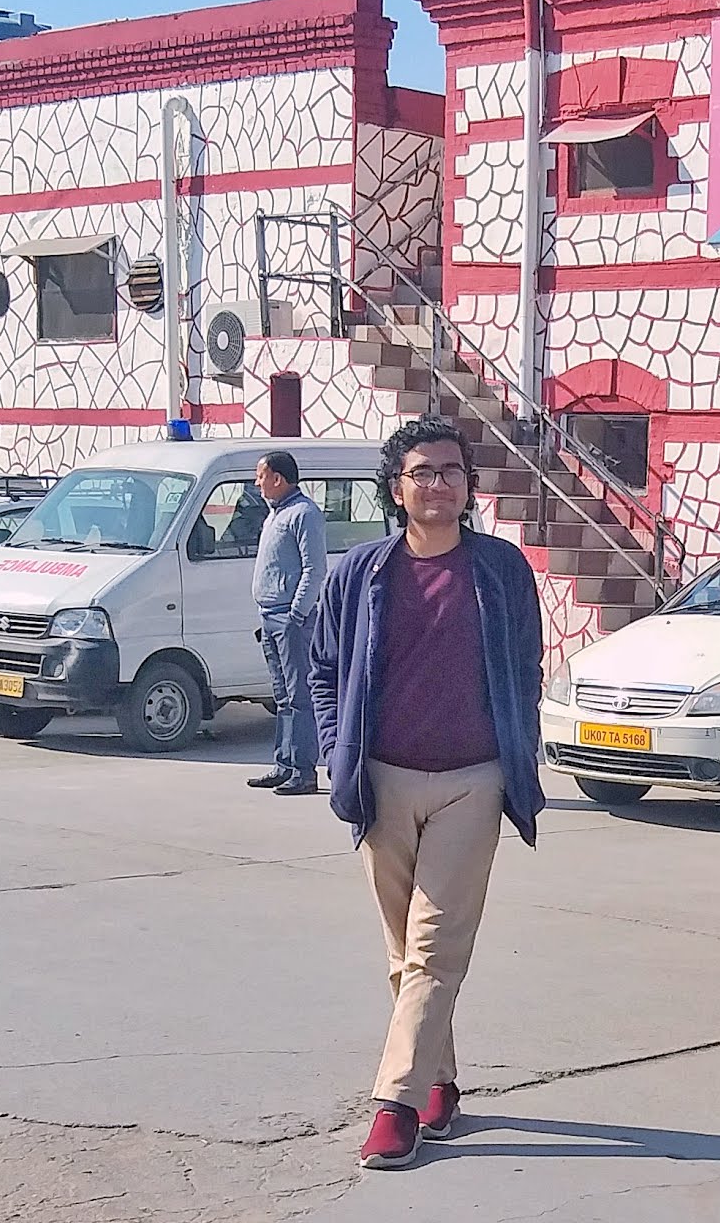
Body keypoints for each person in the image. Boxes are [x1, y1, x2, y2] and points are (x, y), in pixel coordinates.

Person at [309, 415, 545, 1172]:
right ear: (396, 488)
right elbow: (322, 668)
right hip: (382, 777)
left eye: (451, 470)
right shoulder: (362, 573)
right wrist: (333, 752)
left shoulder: (502, 570)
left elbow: (526, 668)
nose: (438, 483)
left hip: (474, 780)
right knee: (403, 952)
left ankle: (395, 1106)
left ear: (469, 487)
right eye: (423, 472)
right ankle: (436, 1078)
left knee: (436, 946)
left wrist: (519, 752)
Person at [247, 452, 328, 796]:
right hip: (270, 616)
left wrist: (296, 614)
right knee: (282, 697)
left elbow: (314, 569)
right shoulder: (274, 515)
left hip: (290, 619)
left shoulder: (304, 514)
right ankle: (284, 763)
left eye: (261, 476)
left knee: (299, 697)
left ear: (278, 479)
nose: (257, 483)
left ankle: (303, 770)